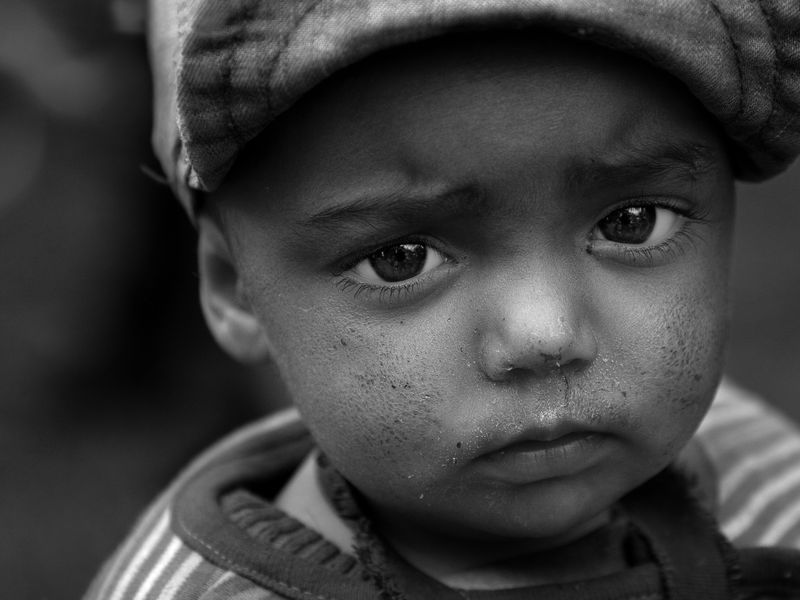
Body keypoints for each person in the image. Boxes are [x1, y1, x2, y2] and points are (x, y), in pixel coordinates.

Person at [85, 1, 800, 598]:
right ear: (229, 287)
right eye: (401, 260)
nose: (544, 333)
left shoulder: (768, 484)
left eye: (632, 222)